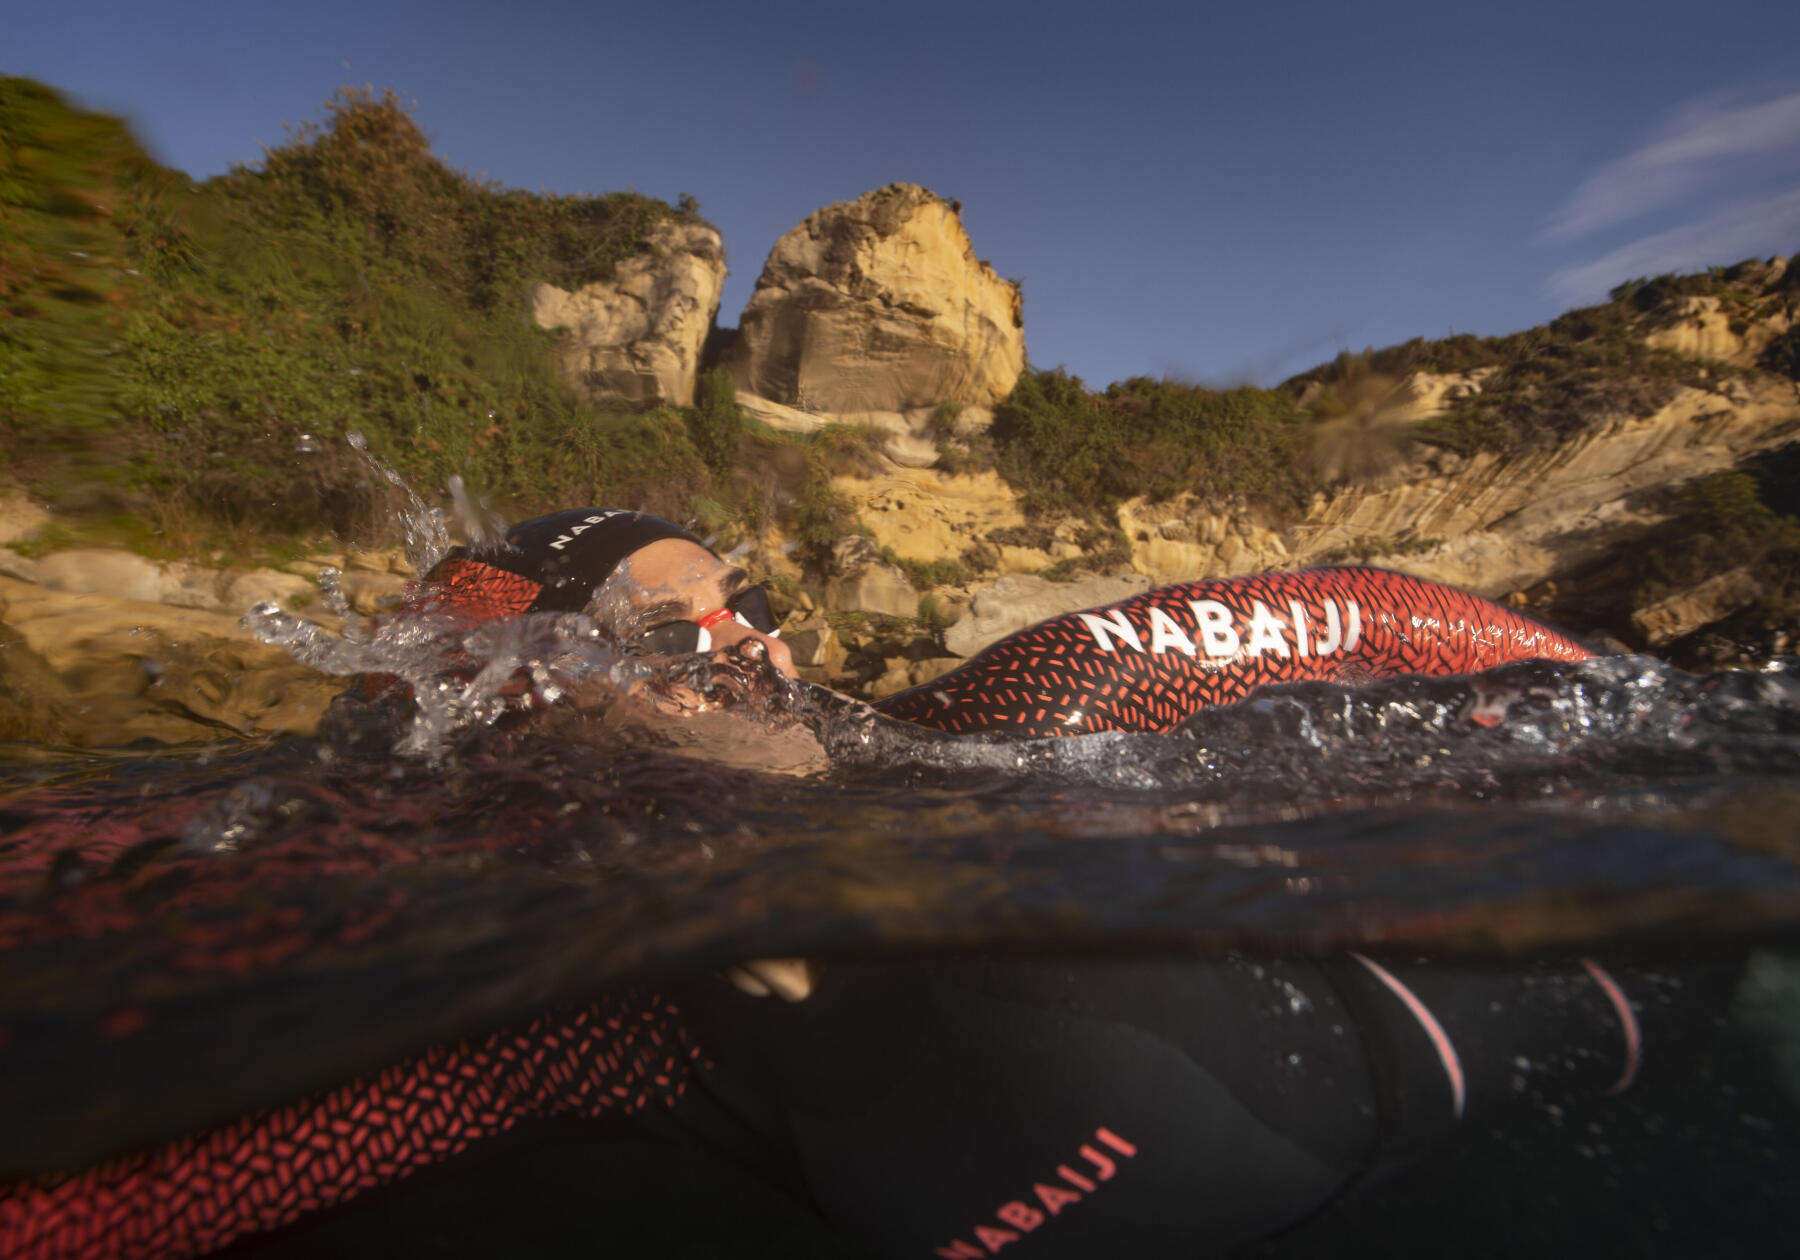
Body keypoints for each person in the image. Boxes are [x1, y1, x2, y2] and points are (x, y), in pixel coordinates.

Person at [5, 509, 1719, 1260]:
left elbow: (1355, 612)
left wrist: (1619, 706)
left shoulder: (1000, 717)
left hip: (1625, 1004)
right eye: (664, 631)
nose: (742, 647)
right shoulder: (587, 1016)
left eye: (739, 601)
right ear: (519, 699)